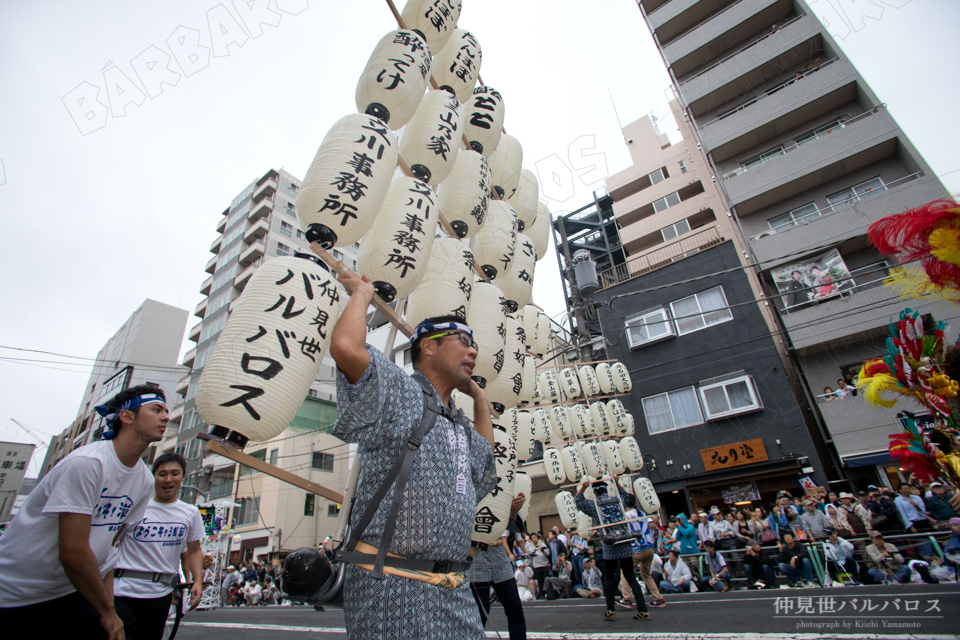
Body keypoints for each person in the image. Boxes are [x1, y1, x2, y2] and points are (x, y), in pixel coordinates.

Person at [329, 270, 496, 640]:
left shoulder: (458, 423)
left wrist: (481, 399)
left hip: (453, 587)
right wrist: (362, 293)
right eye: (463, 340)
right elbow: (345, 348)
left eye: (475, 345)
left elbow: (486, 465)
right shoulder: (401, 392)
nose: (473, 350)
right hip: (391, 584)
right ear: (429, 346)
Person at [0, 385, 164, 640]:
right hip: (16, 596)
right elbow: (73, 552)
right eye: (156, 410)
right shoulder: (88, 463)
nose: (166, 417)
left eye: (166, 411)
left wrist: (109, 611)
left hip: (74, 591)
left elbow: (107, 549)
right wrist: (108, 611)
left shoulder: (143, 479)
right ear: (127, 416)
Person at [113, 451, 205, 639]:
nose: (168, 479)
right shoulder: (135, 507)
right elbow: (110, 541)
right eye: (162, 474)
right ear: (153, 477)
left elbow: (194, 551)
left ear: (183, 477)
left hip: (160, 593)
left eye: (174, 474)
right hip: (123, 591)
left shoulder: (190, 512)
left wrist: (197, 581)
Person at [574, 477, 650, 621]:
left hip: (610, 544)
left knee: (608, 577)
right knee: (631, 577)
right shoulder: (618, 501)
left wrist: (583, 487)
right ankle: (643, 610)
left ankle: (610, 609)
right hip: (625, 541)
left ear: (595, 493)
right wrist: (616, 481)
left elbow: (578, 501)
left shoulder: (595, 505)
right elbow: (625, 495)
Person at [468, 494, 527, 640]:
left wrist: (513, 510)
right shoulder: (466, 487)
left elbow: (513, 527)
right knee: (480, 613)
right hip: (476, 557)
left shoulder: (502, 489)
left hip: (499, 555)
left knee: (514, 607)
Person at [526, 533, 551, 599]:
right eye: (532, 538)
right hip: (536, 565)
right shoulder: (531, 546)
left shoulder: (542, 544)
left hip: (544, 564)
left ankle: (547, 593)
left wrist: (542, 549)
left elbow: (548, 553)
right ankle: (541, 594)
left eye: (535, 537)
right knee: (539, 581)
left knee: (545, 579)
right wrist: (535, 549)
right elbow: (530, 553)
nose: (534, 539)